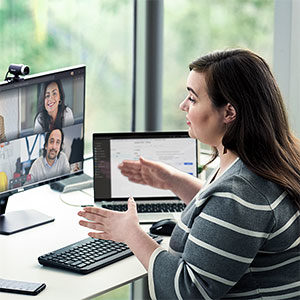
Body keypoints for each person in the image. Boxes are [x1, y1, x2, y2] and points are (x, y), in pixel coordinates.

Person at [78, 49, 300, 299]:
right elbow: (236, 222)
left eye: (193, 99)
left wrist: (130, 233)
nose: (182, 105)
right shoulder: (274, 158)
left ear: (229, 113)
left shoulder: (240, 194)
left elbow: (187, 291)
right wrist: (175, 182)